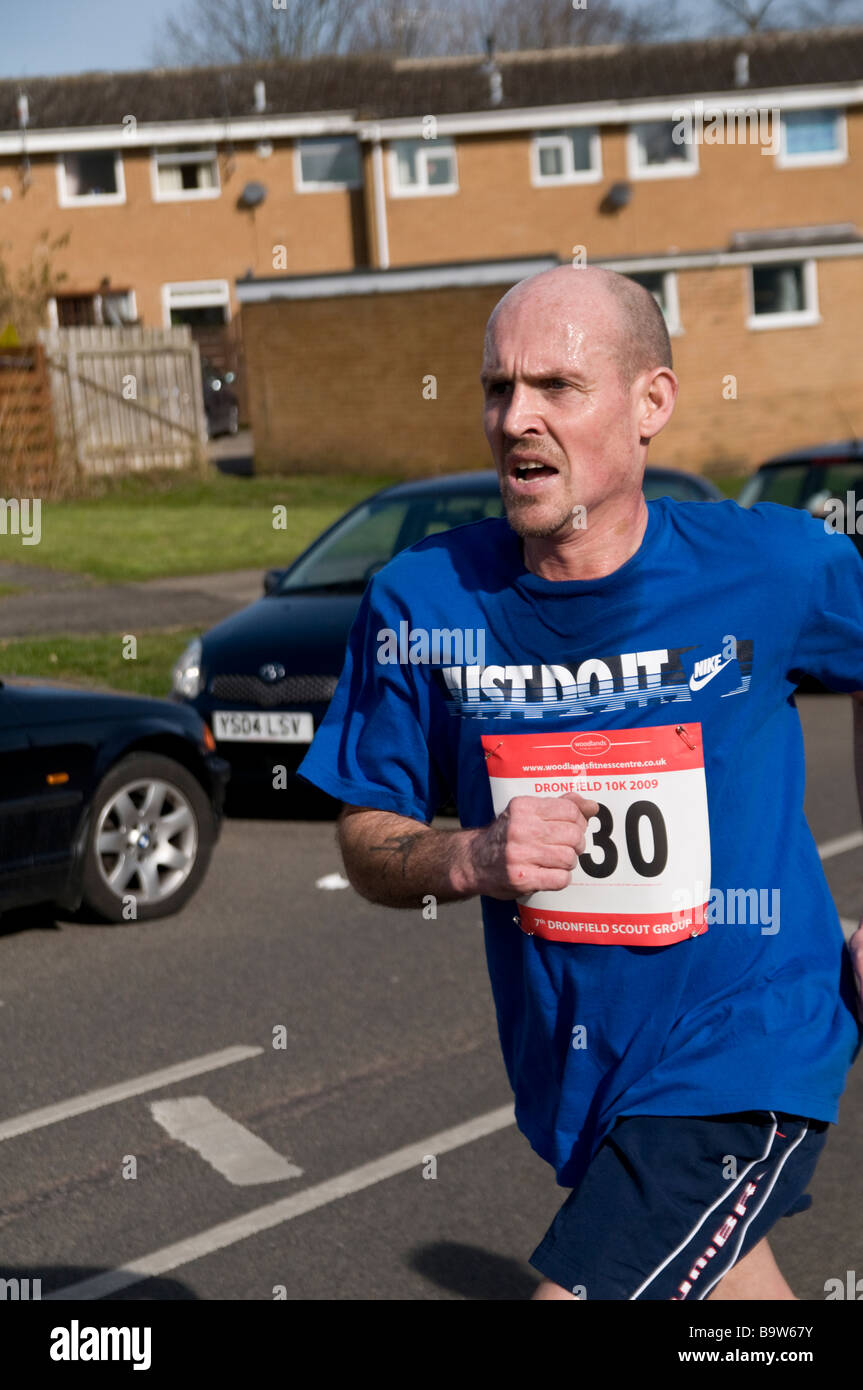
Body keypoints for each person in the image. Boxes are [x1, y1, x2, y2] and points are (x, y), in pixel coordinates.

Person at [297, 264, 863, 1301]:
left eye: (556, 385)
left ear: (651, 402)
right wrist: (469, 855)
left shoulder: (775, 567)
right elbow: (367, 834)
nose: (516, 417)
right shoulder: (422, 602)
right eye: (497, 388)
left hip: (747, 1046)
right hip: (580, 1070)